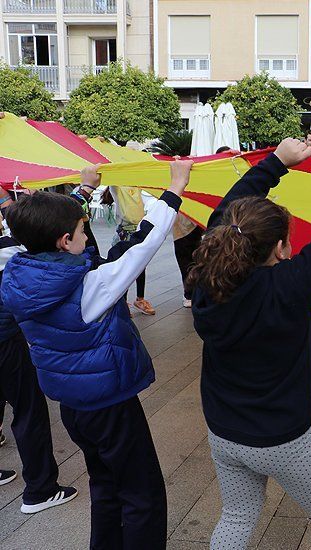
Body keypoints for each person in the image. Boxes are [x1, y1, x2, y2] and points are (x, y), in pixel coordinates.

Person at [187, 138, 311, 550]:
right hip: (284, 439)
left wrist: (275, 163)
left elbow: (225, 217)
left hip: (224, 432)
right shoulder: (288, 287)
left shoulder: (206, 281)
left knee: (236, 515)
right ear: (279, 247)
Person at [1, 160, 193, 547]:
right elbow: (144, 245)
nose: (87, 240)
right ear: (62, 242)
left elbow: (39, 226)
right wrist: (176, 186)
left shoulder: (16, 274)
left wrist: (82, 193)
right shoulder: (91, 286)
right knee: (142, 493)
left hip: (74, 408)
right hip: (111, 406)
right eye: (79, 232)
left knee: (105, 484)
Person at [0, 191, 78, 512]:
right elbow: (39, 238)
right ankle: (40, 490)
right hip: (4, 342)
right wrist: (80, 192)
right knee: (29, 408)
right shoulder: (8, 250)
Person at [105, 185, 155, 315]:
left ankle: (140, 299)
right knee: (124, 268)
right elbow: (112, 181)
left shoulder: (136, 185)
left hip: (138, 230)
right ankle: (122, 302)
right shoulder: (117, 188)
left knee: (141, 265)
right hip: (125, 233)